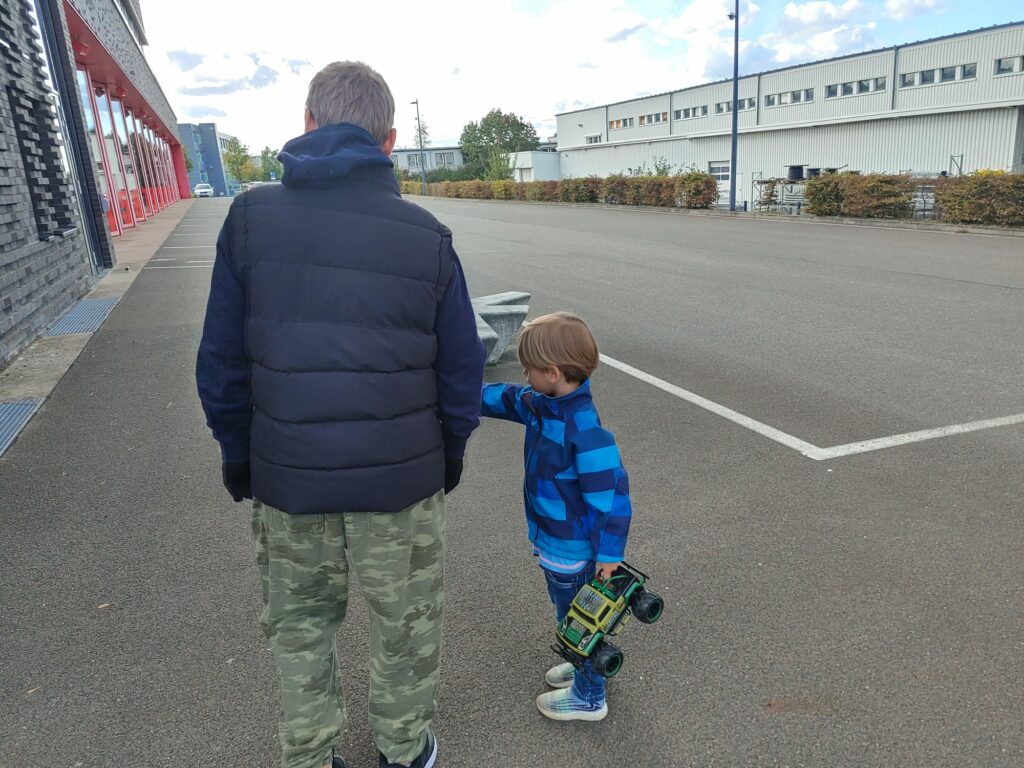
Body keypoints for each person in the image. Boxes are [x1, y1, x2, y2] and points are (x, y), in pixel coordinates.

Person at [196, 61, 485, 768]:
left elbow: (221, 366)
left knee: (299, 627)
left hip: (289, 482)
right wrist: (447, 457)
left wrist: (241, 458)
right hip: (401, 487)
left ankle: (310, 752)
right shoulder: (428, 236)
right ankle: (402, 748)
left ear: (306, 123)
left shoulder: (250, 220)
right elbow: (461, 371)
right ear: (389, 142)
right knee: (405, 627)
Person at [480, 312, 633, 721]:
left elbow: (613, 495)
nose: (523, 375)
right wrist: (462, 395)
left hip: (572, 547)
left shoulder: (583, 428)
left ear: (551, 373)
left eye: (528, 369)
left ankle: (588, 695)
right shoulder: (544, 404)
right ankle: (585, 661)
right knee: (571, 613)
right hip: (555, 540)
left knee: (577, 618)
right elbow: (507, 397)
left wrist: (609, 552)